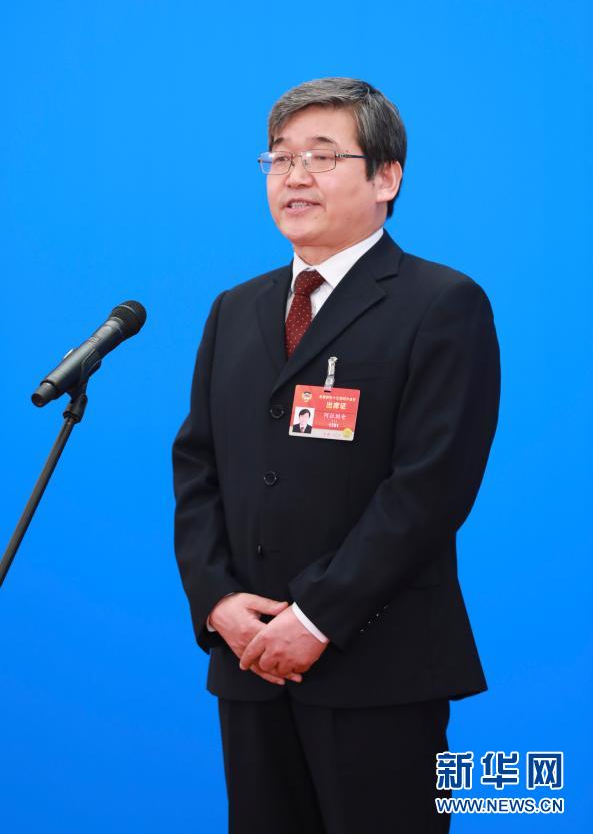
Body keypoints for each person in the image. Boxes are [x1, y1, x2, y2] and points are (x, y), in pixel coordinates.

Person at [172, 77, 501, 834]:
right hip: (250, 662)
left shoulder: (440, 303)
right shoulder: (235, 309)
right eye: (279, 158)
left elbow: (429, 488)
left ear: (386, 178)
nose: (293, 176)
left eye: (321, 157)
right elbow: (197, 466)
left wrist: (316, 617)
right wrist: (218, 602)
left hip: (377, 667)